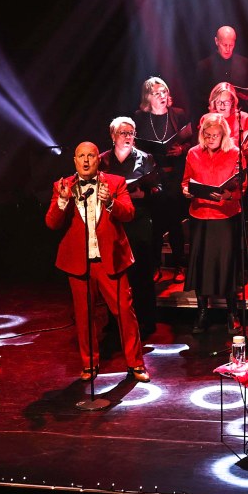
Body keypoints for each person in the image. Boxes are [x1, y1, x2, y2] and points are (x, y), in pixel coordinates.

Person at [45, 142, 149, 383]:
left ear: (98, 159)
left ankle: (135, 364)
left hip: (111, 259)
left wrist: (111, 202)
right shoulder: (63, 186)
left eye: (90, 155)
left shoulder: (115, 183)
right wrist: (62, 202)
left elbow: (129, 213)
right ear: (74, 161)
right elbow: (51, 223)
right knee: (84, 315)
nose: (85, 160)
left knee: (124, 312)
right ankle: (89, 364)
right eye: (80, 156)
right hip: (79, 262)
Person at [183, 113, 246, 334]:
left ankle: (232, 313)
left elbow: (242, 186)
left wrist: (228, 196)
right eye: (207, 135)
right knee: (201, 265)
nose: (211, 139)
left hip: (225, 216)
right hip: (200, 215)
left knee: (226, 265)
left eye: (216, 135)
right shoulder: (193, 153)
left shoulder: (235, 153)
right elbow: (185, 182)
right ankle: (202, 312)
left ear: (224, 135)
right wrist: (186, 191)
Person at [99, 117, 162, 335]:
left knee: (141, 272)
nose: (128, 137)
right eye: (123, 133)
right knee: (115, 272)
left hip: (138, 219)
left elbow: (158, 190)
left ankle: (145, 321)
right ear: (113, 135)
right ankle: (115, 322)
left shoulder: (145, 159)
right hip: (113, 221)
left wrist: (142, 193)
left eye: (131, 133)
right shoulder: (103, 161)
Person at [133, 77, 192, 283]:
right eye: (157, 93)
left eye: (164, 92)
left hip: (174, 173)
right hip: (153, 175)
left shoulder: (178, 114)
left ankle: (179, 265)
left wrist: (181, 149)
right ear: (148, 97)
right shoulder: (140, 117)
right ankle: (155, 265)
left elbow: (190, 140)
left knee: (175, 222)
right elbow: (135, 144)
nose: (162, 96)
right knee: (155, 224)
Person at [196, 26, 248, 109]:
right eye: (224, 45)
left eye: (231, 45)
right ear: (216, 41)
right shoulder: (204, 66)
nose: (228, 49)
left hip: (239, 114)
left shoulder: (244, 63)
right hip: (214, 116)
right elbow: (199, 97)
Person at [208, 81, 248, 163]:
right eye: (219, 102)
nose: (222, 106)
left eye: (226, 102)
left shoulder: (244, 118)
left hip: (236, 166)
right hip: (213, 165)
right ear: (214, 102)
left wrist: (243, 151)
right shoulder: (208, 119)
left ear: (232, 102)